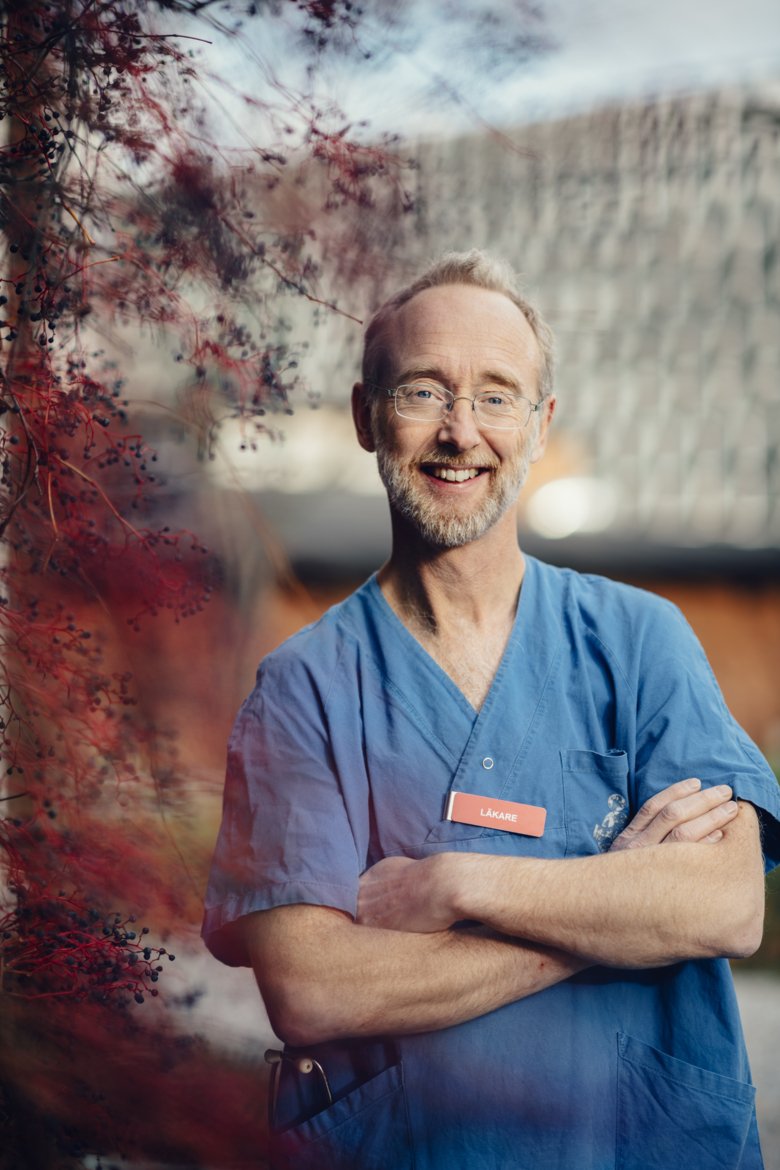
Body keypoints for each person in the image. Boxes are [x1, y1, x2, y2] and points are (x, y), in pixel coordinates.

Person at [202, 250, 780, 1170]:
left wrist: (459, 886)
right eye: (423, 392)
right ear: (366, 418)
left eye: (498, 396)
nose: (461, 432)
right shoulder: (302, 690)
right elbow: (314, 989)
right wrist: (617, 914)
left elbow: (727, 903)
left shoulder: (642, 643)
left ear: (542, 424)